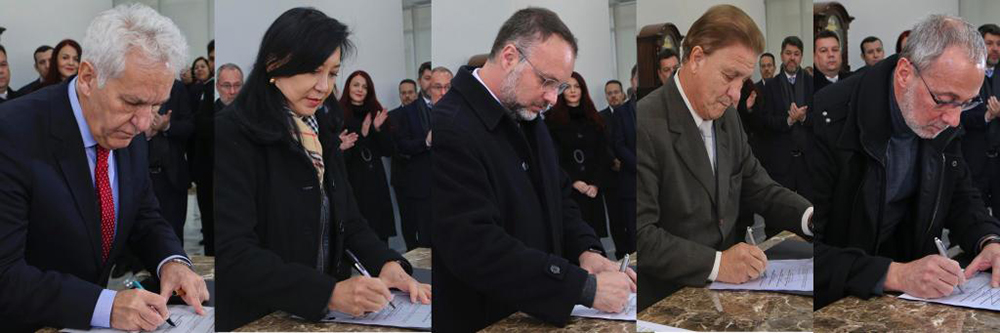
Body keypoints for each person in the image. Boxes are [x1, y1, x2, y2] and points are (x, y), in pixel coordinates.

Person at [214, 8, 430, 331]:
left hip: (317, 318)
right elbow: (235, 252)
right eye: (314, 71)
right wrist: (327, 293)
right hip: (258, 317)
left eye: (332, 74)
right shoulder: (232, 133)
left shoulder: (320, 129)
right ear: (274, 64)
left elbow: (349, 220)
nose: (323, 86)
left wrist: (385, 263)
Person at [0, 5, 209, 331]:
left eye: (156, 105)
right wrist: (105, 305)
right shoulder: (12, 133)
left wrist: (172, 262)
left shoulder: (126, 128)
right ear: (88, 77)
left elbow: (144, 216)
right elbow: (5, 275)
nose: (144, 123)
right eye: (132, 102)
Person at [433, 7, 635, 331]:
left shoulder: (527, 114)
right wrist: (581, 287)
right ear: (510, 57)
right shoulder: (451, 126)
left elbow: (559, 196)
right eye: (546, 81)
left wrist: (586, 250)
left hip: (533, 313)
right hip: (485, 318)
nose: (553, 98)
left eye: (560, 86)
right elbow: (474, 245)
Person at [812, 15, 1000, 309]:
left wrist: (989, 240)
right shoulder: (829, 118)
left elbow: (960, 195)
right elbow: (806, 251)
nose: (954, 119)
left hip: (911, 294)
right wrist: (894, 274)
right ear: (904, 74)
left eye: (966, 103)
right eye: (944, 100)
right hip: (840, 299)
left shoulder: (943, 116)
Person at [635, 5, 814, 311]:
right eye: (730, 76)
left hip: (728, 298)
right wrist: (718, 264)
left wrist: (811, 217)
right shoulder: (645, 123)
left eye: (743, 80)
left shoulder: (727, 116)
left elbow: (758, 186)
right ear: (696, 58)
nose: (736, 95)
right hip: (668, 303)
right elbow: (643, 236)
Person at [545, 71, 613, 251]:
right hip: (569, 189)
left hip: (593, 190)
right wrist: (574, 181)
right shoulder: (550, 120)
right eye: (568, 87)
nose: (573, 91)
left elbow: (603, 154)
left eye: (577, 87)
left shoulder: (595, 118)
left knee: (594, 236)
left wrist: (595, 184)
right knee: (574, 238)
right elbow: (553, 157)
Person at [338, 70, 396, 243]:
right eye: (356, 85)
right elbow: (339, 157)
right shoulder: (338, 114)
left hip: (375, 182)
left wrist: (376, 129)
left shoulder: (375, 112)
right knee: (358, 236)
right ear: (348, 87)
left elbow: (388, 150)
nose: (360, 89)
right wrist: (362, 135)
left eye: (364, 86)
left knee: (380, 234)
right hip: (353, 182)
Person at [394, 67, 449, 250]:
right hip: (422, 185)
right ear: (421, 82)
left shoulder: (455, 108)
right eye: (428, 79)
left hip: (449, 182)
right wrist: (425, 142)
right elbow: (401, 145)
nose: (439, 89)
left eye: (446, 86)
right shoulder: (408, 111)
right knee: (425, 237)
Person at [757, 35, 814, 200]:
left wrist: (803, 118)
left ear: (801, 57)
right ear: (782, 56)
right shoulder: (771, 86)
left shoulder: (811, 82)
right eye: (788, 53)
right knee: (782, 208)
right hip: (781, 161)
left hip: (808, 161)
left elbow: (819, 118)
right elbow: (765, 120)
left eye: (796, 54)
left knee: (809, 208)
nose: (792, 58)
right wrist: (788, 120)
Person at [963, 23, 1000, 218]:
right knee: (974, 214)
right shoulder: (966, 73)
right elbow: (958, 114)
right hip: (974, 158)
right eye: (989, 43)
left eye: (999, 44)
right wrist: (987, 116)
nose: (995, 48)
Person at [600, 79, 629, 258]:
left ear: (622, 93)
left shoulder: (631, 113)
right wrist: (613, 160)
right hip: (611, 176)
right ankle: (620, 256)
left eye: (616, 92)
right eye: (609, 93)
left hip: (630, 174)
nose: (613, 96)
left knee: (631, 218)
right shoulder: (600, 117)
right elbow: (601, 144)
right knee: (616, 220)